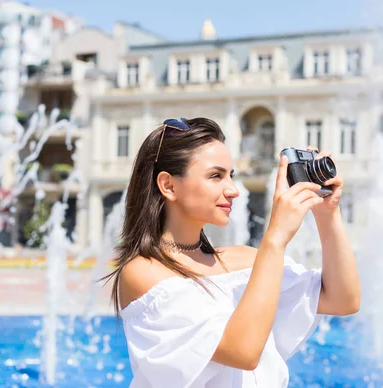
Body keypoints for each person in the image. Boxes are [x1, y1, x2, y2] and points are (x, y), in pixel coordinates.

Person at [102, 117, 361, 387]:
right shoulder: (143, 273)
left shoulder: (244, 259)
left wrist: (327, 213)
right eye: (216, 176)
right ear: (168, 185)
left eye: (231, 176)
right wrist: (274, 240)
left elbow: (343, 300)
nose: (233, 190)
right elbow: (243, 352)